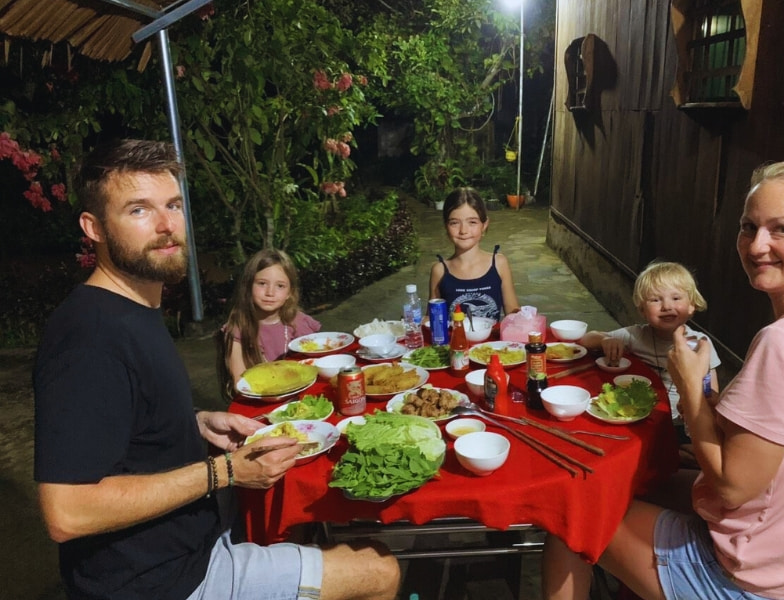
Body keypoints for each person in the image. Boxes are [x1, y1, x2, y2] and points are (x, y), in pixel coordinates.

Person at [32, 139, 400, 600]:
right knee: (379, 571)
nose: (167, 225)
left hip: (192, 544)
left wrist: (195, 425)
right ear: (95, 227)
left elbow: (118, 426)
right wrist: (223, 472)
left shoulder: (133, 309)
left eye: (172, 205)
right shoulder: (88, 336)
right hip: (162, 581)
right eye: (139, 210)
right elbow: (67, 512)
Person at [542, 159, 784, 600]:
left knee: (570, 515)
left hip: (759, 577)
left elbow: (733, 486)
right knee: (647, 477)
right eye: (748, 227)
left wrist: (690, 387)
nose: (757, 245)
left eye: (781, 229)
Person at [581, 260, 721, 442]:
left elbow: (712, 393)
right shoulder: (635, 335)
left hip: (681, 422)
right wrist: (605, 339)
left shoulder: (701, 344)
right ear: (642, 310)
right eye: (655, 300)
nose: (667, 306)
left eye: (676, 298)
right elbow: (585, 340)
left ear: (692, 305)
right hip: (640, 417)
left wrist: (697, 403)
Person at [220, 248, 321, 395]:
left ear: (290, 293)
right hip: (261, 399)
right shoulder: (238, 329)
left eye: (280, 286)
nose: (270, 293)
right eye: (262, 283)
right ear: (248, 286)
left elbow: (317, 364)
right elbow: (239, 383)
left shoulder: (300, 323)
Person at [429, 187, 520, 321]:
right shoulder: (440, 270)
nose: (463, 230)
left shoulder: (499, 263)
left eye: (472, 222)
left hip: (491, 342)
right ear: (446, 226)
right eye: (454, 223)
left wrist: (525, 317)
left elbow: (513, 314)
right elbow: (433, 320)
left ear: (484, 225)